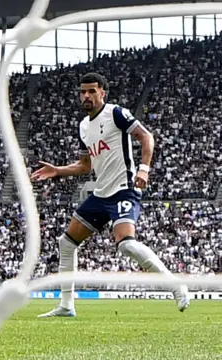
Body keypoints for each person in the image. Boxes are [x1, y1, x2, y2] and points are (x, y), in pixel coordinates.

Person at [32, 73, 189, 318]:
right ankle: (66, 305)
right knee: (67, 243)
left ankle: (175, 284)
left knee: (126, 243)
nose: (86, 96)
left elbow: (146, 136)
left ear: (102, 92)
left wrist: (144, 169)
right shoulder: (83, 126)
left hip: (124, 188)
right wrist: (58, 171)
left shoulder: (116, 113)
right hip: (101, 193)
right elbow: (86, 165)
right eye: (82, 92)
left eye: (92, 91)